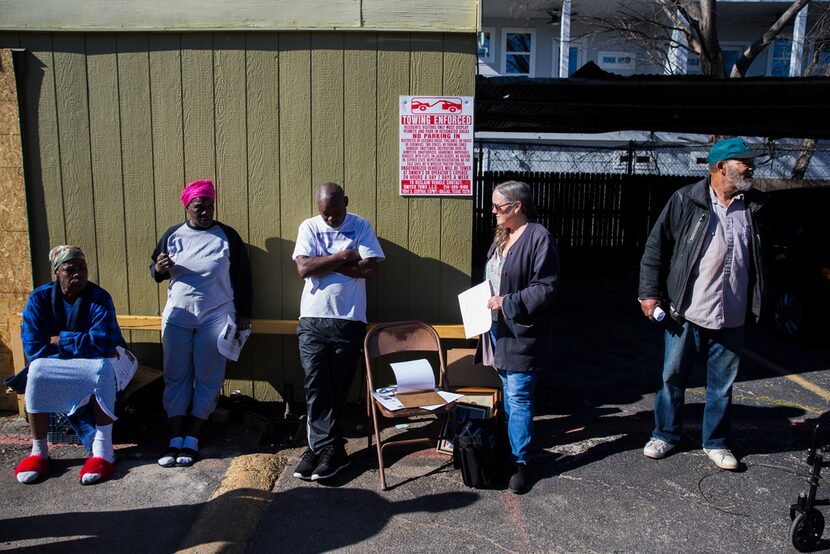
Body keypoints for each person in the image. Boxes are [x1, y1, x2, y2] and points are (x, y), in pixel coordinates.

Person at [639, 137, 766, 471]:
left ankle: (717, 442)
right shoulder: (686, 200)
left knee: (722, 387)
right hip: (687, 312)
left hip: (732, 315)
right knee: (672, 378)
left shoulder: (755, 207)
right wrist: (648, 293)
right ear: (720, 167)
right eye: (744, 162)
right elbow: (656, 248)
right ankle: (665, 434)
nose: (751, 167)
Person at [151, 179, 252, 468]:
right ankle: (175, 436)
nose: (205, 212)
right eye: (199, 207)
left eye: (209, 206)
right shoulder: (173, 235)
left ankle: (193, 436)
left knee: (209, 375)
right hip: (179, 317)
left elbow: (243, 277)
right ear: (187, 207)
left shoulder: (227, 236)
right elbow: (156, 269)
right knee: (176, 375)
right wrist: (158, 269)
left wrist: (245, 313)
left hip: (216, 315)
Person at [13, 245, 131, 485]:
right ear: (57, 272)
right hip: (66, 363)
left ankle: (103, 450)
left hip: (99, 363)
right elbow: (34, 348)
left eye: (82, 268)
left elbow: (105, 343)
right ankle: (39, 451)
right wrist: (79, 345)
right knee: (36, 371)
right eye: (70, 269)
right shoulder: (40, 299)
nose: (78, 274)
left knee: (101, 370)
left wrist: (61, 340)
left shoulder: (99, 297)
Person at [291, 182, 384, 481]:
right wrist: (345, 257)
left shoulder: (361, 225)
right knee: (315, 385)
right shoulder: (308, 226)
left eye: (335, 212)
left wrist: (323, 265)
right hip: (312, 319)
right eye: (325, 214)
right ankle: (327, 449)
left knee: (337, 387)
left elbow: (370, 270)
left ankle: (322, 450)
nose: (330, 219)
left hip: (349, 318)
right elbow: (304, 269)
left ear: (345, 200)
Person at [482, 180, 559, 494]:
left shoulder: (539, 237)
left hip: (522, 332)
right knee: (510, 394)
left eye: (499, 206)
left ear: (517, 207)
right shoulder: (504, 235)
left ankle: (520, 461)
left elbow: (546, 287)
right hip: (499, 329)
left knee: (519, 396)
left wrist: (507, 302)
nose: (494, 212)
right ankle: (514, 449)